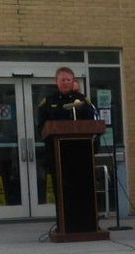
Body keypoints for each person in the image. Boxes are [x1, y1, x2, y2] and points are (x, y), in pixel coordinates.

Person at [36, 66, 97, 208]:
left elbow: (94, 121)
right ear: (56, 81)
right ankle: (62, 225)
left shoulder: (82, 100)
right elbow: (41, 127)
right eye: (62, 79)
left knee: (83, 189)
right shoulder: (48, 101)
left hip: (80, 154)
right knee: (62, 191)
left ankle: (86, 223)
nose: (65, 82)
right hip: (57, 154)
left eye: (68, 80)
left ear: (73, 81)